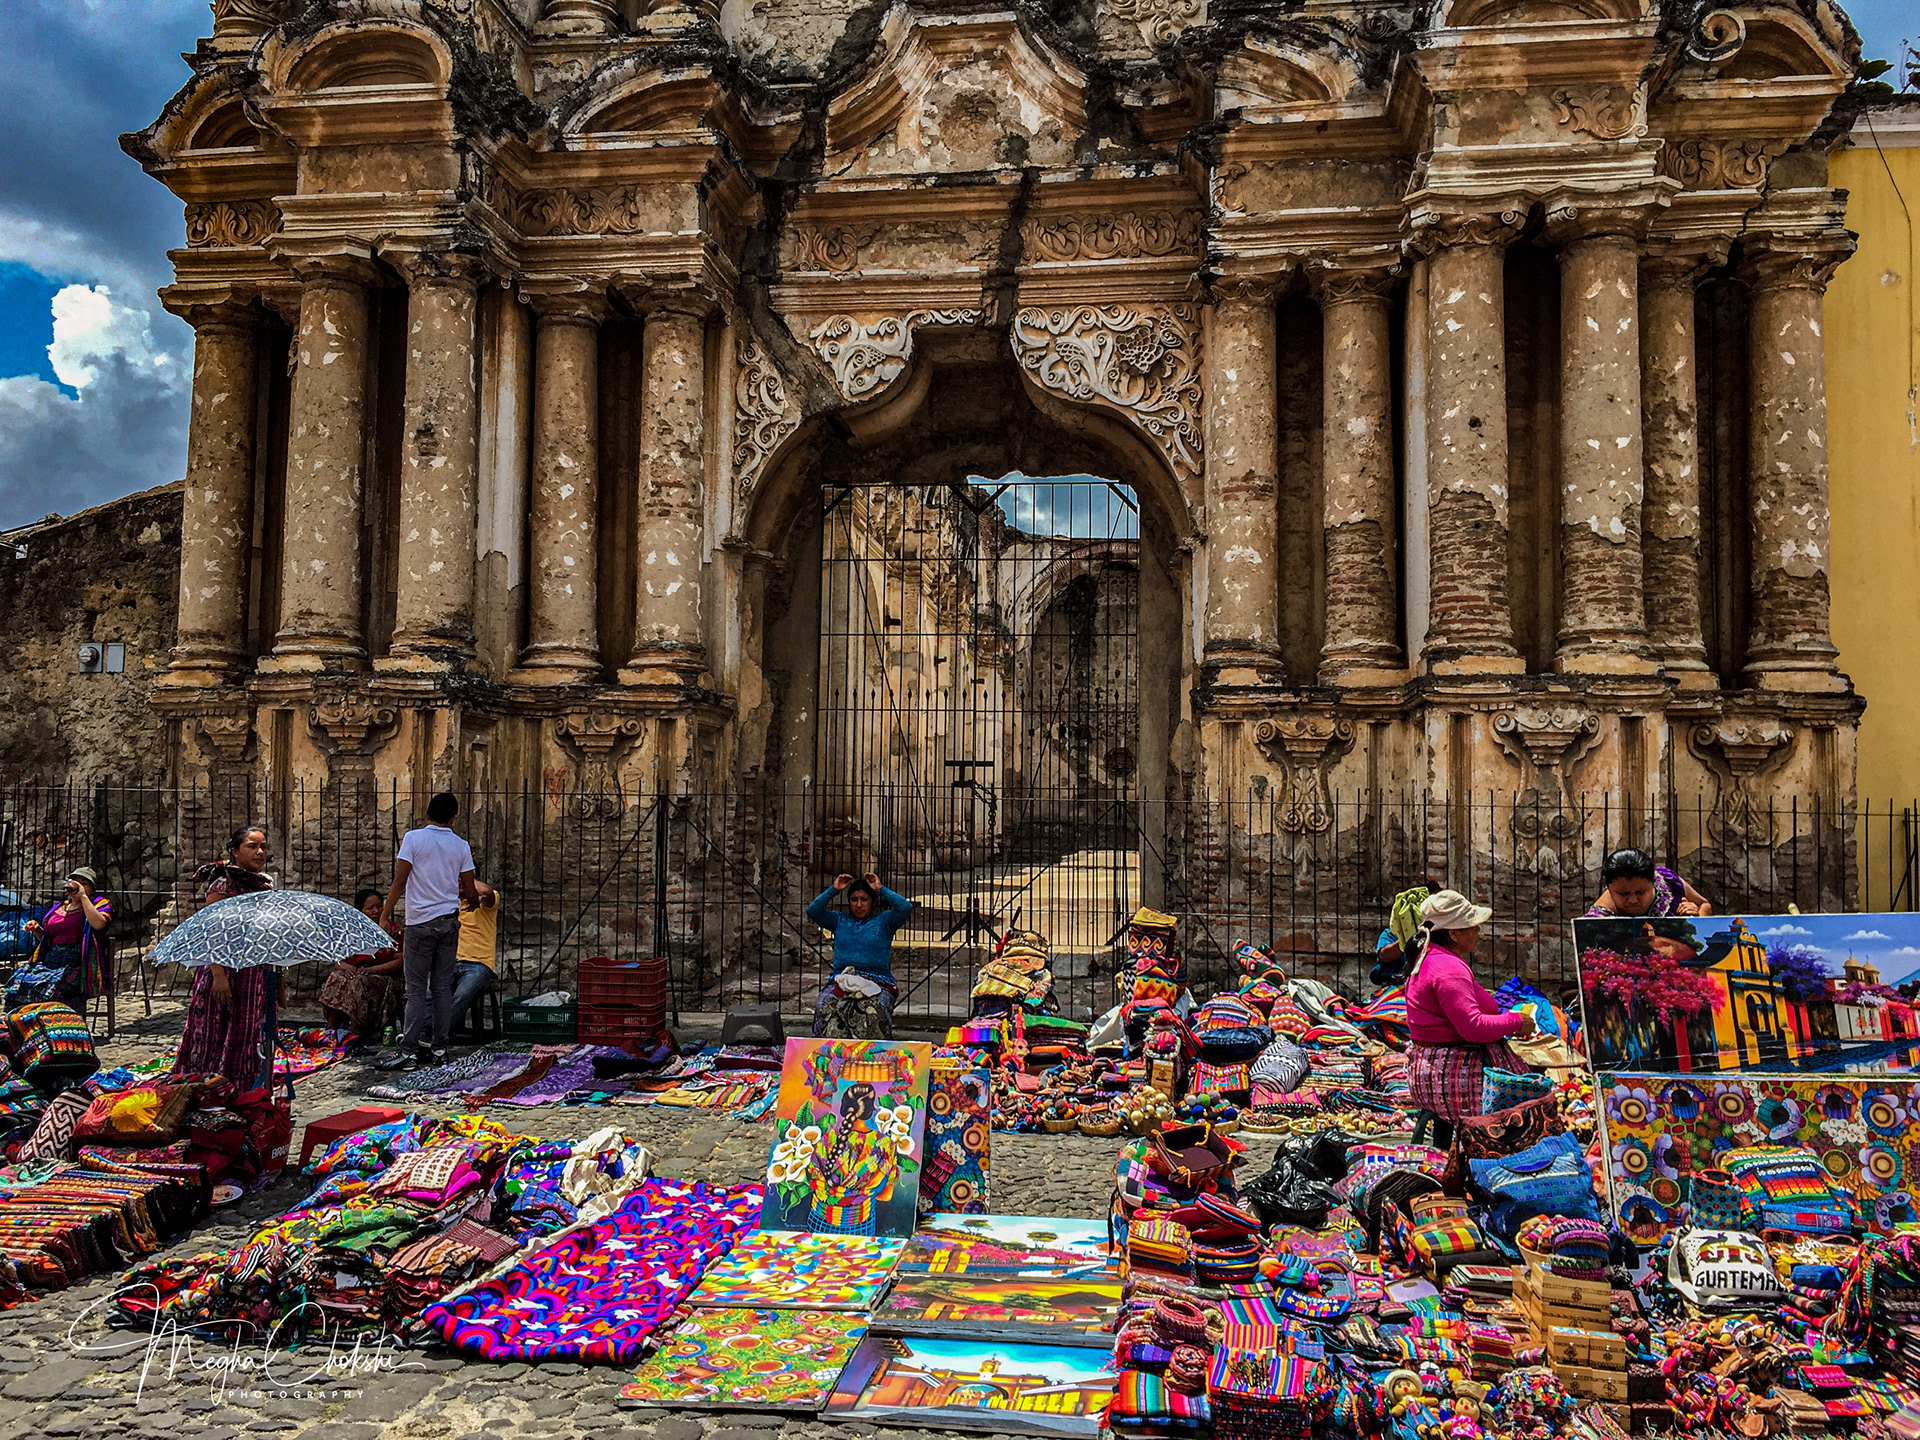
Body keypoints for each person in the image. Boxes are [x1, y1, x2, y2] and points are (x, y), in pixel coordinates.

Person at [1404, 889, 1537, 1147]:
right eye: (1473, 927)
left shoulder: (1430, 958)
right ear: (1454, 933)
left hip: (1430, 1070)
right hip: (1452, 1077)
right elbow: (1473, 1028)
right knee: (1533, 1100)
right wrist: (1517, 1021)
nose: (1479, 931)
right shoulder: (1448, 969)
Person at [173, 824, 282, 1090]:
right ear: (234, 851)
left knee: (246, 1034)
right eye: (252, 846)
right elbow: (212, 931)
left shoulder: (265, 885)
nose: (259, 852)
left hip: (255, 970)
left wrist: (278, 981)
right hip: (224, 967)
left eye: (263, 847)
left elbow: (273, 934)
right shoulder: (223, 885)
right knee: (211, 1032)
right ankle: (202, 1087)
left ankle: (242, 1088)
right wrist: (219, 975)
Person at [377, 793, 477, 1071]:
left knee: (417, 989)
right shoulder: (461, 845)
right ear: (454, 819)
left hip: (420, 923)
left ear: (427, 815)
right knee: (443, 988)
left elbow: (400, 881)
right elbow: (469, 888)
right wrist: (474, 902)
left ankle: (408, 1050)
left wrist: (385, 916)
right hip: (448, 923)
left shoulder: (413, 839)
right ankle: (440, 1048)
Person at [805, 872, 912, 1038]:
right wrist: (833, 890)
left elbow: (905, 907)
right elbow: (813, 910)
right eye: (854, 900)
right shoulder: (840, 921)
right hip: (843, 979)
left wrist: (880, 889)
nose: (859, 905)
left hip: (878, 981)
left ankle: (878, 1055)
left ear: (873, 901)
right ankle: (823, 1054)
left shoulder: (884, 922)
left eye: (864, 900)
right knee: (823, 1005)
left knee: (877, 1009)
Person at [803, 1082, 901, 1235]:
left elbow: (812, 1180)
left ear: (844, 1108)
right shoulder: (884, 1145)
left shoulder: (828, 1139)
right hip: (860, 1224)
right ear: (870, 1110)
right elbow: (886, 1195)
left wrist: (838, 1194)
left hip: (819, 1220)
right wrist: (858, 1193)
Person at [11, 867, 113, 1008]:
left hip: (77, 963)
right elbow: (47, 940)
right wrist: (37, 930)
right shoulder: (58, 908)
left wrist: (83, 897)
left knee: (49, 988)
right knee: (20, 983)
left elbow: (99, 924)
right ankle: (27, 1025)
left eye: (84, 884)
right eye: (75, 882)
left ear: (91, 888)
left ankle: (58, 1023)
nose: (78, 886)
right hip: (50, 961)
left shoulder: (98, 904)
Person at [316, 888, 405, 1045]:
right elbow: (338, 960)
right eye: (370, 908)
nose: (376, 911)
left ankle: (356, 1032)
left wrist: (371, 970)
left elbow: (399, 961)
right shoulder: (351, 931)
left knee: (359, 982)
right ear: (360, 910)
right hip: (356, 972)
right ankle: (330, 1030)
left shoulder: (393, 931)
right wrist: (345, 967)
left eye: (379, 906)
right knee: (336, 978)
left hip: (385, 976)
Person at [1584, 848, 1713, 919]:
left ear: (1653, 880)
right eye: (1624, 894)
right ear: (1608, 888)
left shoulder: (1668, 881)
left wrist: (1698, 919)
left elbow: (1704, 904)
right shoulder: (1597, 919)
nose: (1633, 900)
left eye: (1640, 892)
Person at [448, 880, 500, 1033]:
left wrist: (465, 872)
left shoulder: (485, 900)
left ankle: (436, 1035)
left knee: (461, 996)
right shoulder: (450, 902)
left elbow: (487, 892)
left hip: (478, 964)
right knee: (429, 992)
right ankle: (424, 1034)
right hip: (449, 962)